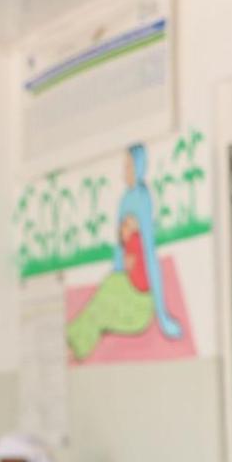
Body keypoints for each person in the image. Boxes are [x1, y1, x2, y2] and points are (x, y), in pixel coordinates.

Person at [67, 143, 182, 360]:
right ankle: (72, 348)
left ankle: (74, 349)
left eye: (129, 167)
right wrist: (117, 273)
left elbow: (149, 257)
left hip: (138, 299)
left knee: (100, 311)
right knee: (99, 302)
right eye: (124, 168)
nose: (125, 173)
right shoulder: (125, 200)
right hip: (123, 283)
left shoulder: (143, 201)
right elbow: (120, 251)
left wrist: (162, 315)